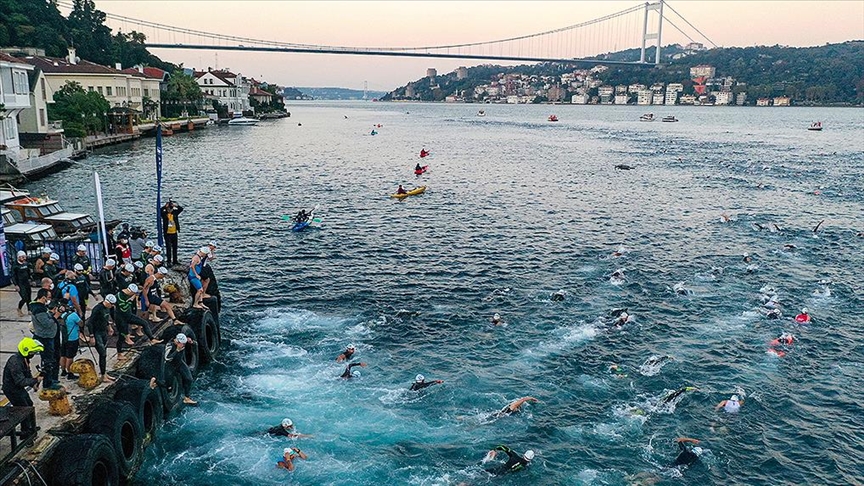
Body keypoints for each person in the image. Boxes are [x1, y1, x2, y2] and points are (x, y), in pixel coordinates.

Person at [2, 337, 44, 436]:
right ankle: (26, 432)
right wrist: (35, 380)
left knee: (29, 404)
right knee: (23, 410)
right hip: (12, 390)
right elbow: (20, 381)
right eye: (32, 353)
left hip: (18, 389)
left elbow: (27, 373)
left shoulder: (24, 359)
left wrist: (33, 384)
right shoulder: (15, 363)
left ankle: (30, 427)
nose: (33, 355)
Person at [30, 289, 60, 389]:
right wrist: (56, 316)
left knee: (51, 360)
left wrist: (51, 314)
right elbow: (46, 324)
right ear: (43, 297)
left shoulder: (42, 307)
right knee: (48, 361)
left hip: (49, 336)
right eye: (48, 298)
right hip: (45, 338)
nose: (49, 300)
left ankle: (51, 380)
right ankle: (48, 383)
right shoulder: (38, 310)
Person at [85, 294, 117, 383]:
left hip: (103, 332)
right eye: (112, 304)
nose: (112, 306)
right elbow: (89, 323)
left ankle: (104, 373)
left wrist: (109, 327)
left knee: (104, 354)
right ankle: (103, 376)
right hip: (97, 333)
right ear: (107, 302)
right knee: (102, 353)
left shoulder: (108, 308)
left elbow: (105, 319)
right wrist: (91, 336)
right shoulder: (97, 309)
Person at [164, 333, 197, 405]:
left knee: (189, 379)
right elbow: (167, 358)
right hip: (170, 365)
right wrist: (177, 350)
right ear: (177, 342)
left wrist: (192, 342)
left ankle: (187, 398)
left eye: (184, 344)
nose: (183, 346)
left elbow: (196, 345)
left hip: (179, 363)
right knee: (169, 386)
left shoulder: (183, 343)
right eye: (182, 344)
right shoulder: (170, 345)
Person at [58, 303, 82, 380]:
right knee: (70, 357)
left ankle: (63, 370)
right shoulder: (74, 315)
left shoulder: (62, 315)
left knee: (63, 355)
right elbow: (81, 324)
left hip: (64, 339)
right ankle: (70, 373)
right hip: (72, 339)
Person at [161, 199, 184, 265]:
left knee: (175, 247)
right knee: (168, 248)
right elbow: (159, 211)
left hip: (174, 233)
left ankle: (175, 261)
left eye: (171, 209)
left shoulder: (175, 213)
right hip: (167, 234)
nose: (169, 210)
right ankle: (168, 261)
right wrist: (164, 206)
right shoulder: (164, 214)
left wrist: (174, 205)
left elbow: (181, 209)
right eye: (168, 209)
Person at [12, 251, 32, 316]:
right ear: (18, 257)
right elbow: (13, 276)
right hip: (20, 283)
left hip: (26, 283)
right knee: (24, 297)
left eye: (24, 257)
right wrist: (16, 285)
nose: (23, 258)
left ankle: (29, 309)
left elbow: (29, 273)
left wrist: (31, 280)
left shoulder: (26, 264)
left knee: (29, 296)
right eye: (22, 257)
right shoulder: (15, 266)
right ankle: (19, 308)